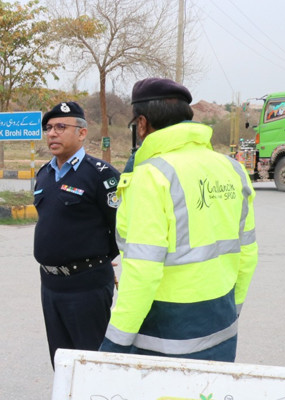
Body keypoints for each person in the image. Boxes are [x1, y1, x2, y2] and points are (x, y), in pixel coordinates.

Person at [99, 78, 258, 361]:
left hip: (166, 338)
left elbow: (143, 272)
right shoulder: (232, 169)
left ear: (143, 124)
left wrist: (115, 345)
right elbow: (247, 254)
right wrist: (231, 310)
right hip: (222, 326)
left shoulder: (151, 176)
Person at [33, 101, 121, 367]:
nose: (52, 133)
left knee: (91, 364)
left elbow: (120, 228)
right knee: (62, 364)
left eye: (61, 127)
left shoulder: (101, 175)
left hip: (87, 285)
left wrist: (100, 259)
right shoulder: (44, 174)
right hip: (50, 285)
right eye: (48, 128)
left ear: (82, 133)